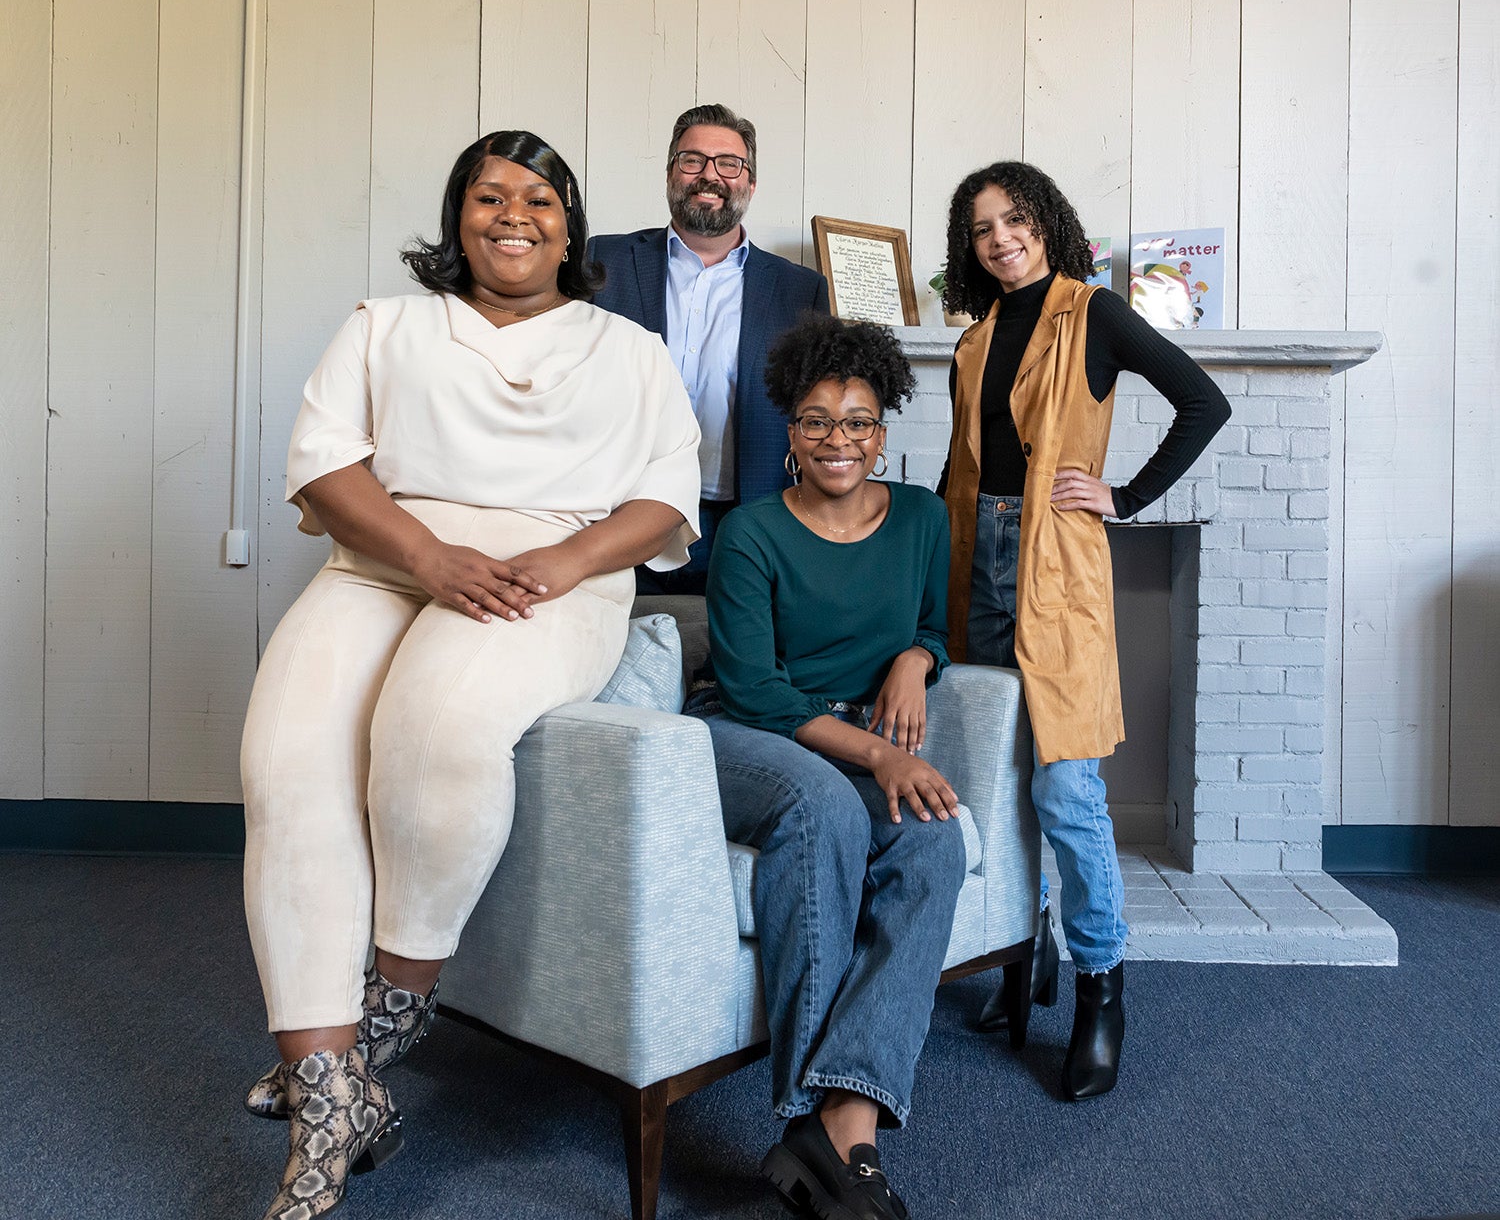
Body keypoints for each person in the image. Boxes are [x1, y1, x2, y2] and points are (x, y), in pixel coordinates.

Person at [238, 130, 701, 1220]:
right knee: (284, 759)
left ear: (569, 226)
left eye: (540, 197)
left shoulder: (630, 349)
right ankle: (328, 1091)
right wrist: (428, 557)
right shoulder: (385, 325)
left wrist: (565, 557)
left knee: (434, 727)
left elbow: (667, 494)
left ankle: (396, 1004)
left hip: (548, 576)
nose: (514, 213)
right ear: (458, 217)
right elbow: (326, 464)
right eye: (490, 195)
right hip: (388, 562)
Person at [937, 160, 1231, 1101]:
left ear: (1046, 222)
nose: (1001, 238)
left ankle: (1102, 985)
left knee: (1065, 787)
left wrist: (1127, 496)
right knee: (992, 775)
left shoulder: (1093, 313)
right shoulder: (973, 340)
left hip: (1056, 562)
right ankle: (1025, 961)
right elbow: (963, 468)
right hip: (973, 557)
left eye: (1015, 219)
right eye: (982, 228)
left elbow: (1203, 402)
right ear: (969, 247)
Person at [688, 317, 965, 1220]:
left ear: (883, 432)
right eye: (816, 421)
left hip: (847, 734)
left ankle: (846, 1126)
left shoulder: (923, 516)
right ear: (790, 430)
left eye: (857, 421)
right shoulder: (750, 533)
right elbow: (757, 691)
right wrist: (882, 752)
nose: (837, 440)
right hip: (744, 733)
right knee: (827, 810)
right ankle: (807, 1112)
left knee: (933, 843)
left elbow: (932, 625)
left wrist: (915, 662)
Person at [590, 103, 829, 593]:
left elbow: (815, 415)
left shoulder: (799, 290)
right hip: (612, 510)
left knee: (724, 663)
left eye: (729, 163)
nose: (710, 175)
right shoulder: (602, 261)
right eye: (692, 160)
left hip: (744, 522)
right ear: (671, 173)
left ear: (750, 183)